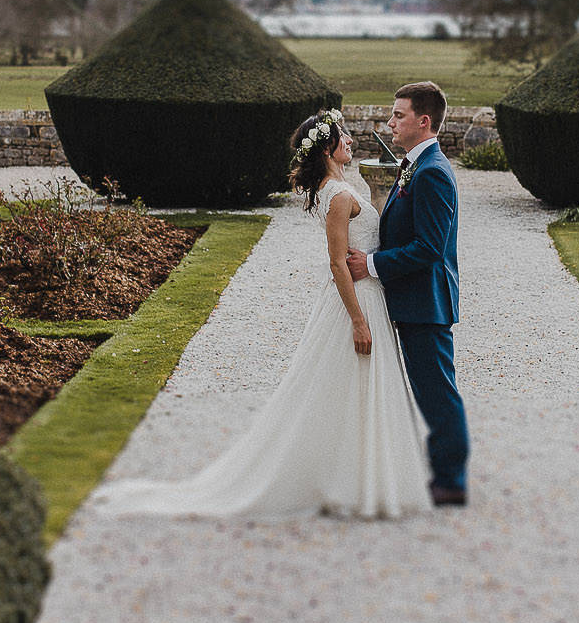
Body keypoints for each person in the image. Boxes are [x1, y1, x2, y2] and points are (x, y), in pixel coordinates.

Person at [89, 109, 435, 520]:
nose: (348, 141)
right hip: (355, 301)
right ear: (327, 148)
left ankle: (359, 479)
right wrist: (358, 320)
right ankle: (348, 482)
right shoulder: (338, 196)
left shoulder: (341, 186)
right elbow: (338, 262)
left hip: (368, 293)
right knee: (350, 384)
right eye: (341, 137)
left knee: (354, 389)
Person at [346, 81, 469, 507]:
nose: (389, 123)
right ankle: (438, 473)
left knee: (437, 395)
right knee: (430, 391)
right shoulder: (414, 164)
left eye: (398, 115)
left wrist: (372, 265)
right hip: (414, 301)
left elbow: (431, 248)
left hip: (426, 303)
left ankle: (451, 482)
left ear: (424, 121)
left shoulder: (432, 171)